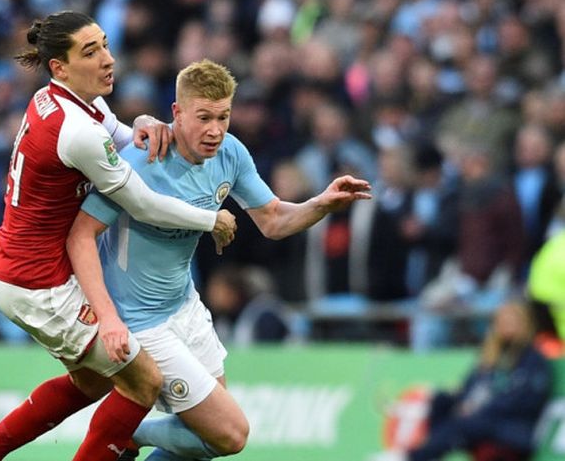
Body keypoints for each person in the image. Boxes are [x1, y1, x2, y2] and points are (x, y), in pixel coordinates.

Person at [0, 12, 236, 461]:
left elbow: (119, 135)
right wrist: (209, 218)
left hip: (29, 266)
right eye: (91, 51)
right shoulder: (74, 130)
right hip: (35, 283)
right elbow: (140, 202)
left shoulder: (66, 101)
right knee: (144, 379)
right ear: (59, 67)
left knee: (96, 381)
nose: (108, 59)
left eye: (104, 44)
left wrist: (144, 121)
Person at [67, 59, 372, 460]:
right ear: (176, 113)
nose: (215, 130)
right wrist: (108, 317)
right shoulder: (140, 161)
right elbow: (81, 237)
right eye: (204, 117)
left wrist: (321, 203)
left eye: (223, 117)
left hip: (185, 307)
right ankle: (128, 431)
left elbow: (273, 220)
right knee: (230, 435)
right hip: (140, 322)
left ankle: (129, 434)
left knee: (201, 443)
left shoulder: (230, 153)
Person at [371, 300, 553, 461]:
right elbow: (467, 389)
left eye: (512, 321)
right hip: (480, 420)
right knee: (440, 402)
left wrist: (479, 409)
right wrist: (454, 399)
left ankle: (412, 456)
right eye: (503, 321)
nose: (507, 326)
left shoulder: (533, 359)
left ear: (525, 324)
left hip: (511, 427)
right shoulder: (490, 357)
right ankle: (431, 453)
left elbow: (526, 400)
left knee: (463, 423)